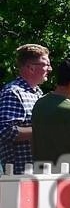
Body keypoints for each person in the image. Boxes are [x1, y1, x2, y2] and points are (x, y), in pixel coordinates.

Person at [0, 44, 50, 174]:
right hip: (17, 175)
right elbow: (6, 131)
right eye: (46, 64)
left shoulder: (38, 93)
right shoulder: (13, 92)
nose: (50, 69)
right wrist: (45, 130)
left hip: (38, 171)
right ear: (31, 68)